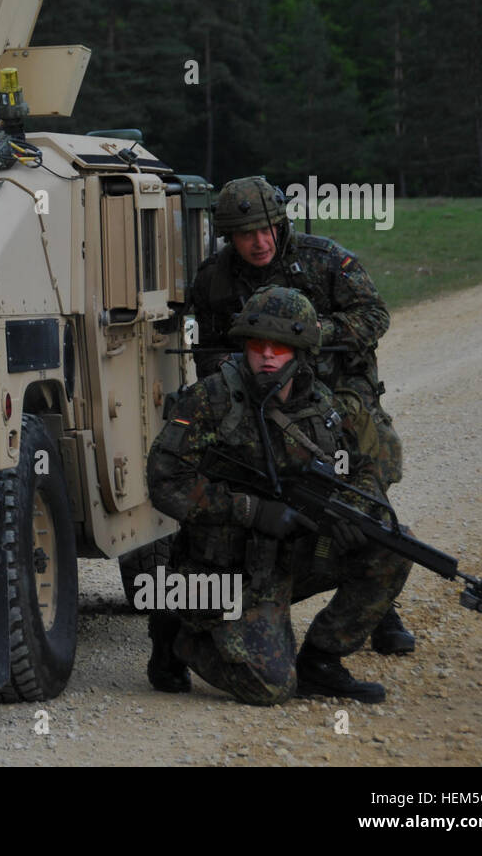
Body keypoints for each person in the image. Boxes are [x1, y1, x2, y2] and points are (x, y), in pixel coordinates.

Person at [145, 286, 411, 704]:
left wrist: (351, 513)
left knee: (389, 547)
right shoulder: (211, 400)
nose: (267, 355)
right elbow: (164, 480)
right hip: (226, 570)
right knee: (270, 688)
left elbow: (355, 466)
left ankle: (321, 662)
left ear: (301, 351)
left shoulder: (320, 402)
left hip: (287, 555)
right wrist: (250, 510)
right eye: (258, 345)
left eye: (281, 347)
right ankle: (178, 631)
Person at [188, 175, 414, 655]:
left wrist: (305, 333)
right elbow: (206, 350)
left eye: (266, 228)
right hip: (261, 394)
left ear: (281, 222)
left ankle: (377, 602)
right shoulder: (214, 279)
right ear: (229, 235)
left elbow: (374, 316)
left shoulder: (323, 258)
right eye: (246, 233)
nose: (259, 241)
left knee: (361, 481)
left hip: (337, 388)